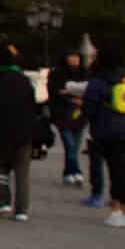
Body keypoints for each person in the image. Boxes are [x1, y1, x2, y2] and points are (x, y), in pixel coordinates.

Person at [0, 40, 39, 220]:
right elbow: (32, 105)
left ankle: (3, 201)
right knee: (22, 171)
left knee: (1, 167)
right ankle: (21, 209)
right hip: (23, 131)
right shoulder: (23, 79)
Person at [82, 50, 125, 230]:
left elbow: (89, 109)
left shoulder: (98, 81)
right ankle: (116, 210)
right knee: (121, 167)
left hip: (108, 129)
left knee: (118, 171)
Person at [48, 50, 88, 187]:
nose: (75, 59)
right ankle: (76, 171)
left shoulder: (85, 73)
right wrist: (71, 99)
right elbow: (55, 92)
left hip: (80, 115)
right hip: (63, 115)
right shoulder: (57, 73)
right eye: (72, 56)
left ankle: (68, 173)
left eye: (77, 56)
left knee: (74, 147)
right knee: (70, 145)